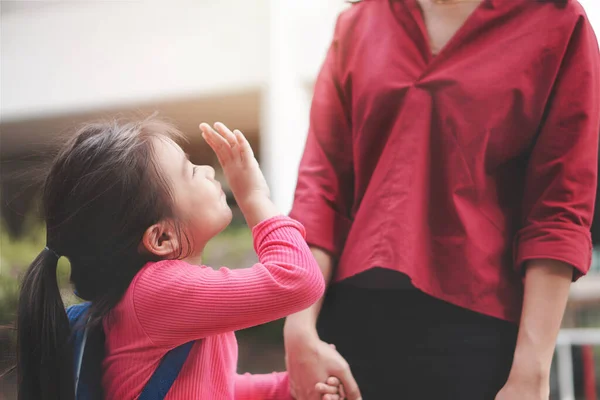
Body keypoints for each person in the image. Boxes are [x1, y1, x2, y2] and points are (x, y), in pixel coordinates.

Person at [284, 0, 600, 399]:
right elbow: (321, 191)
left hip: (483, 341)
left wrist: (531, 374)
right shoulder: (358, 23)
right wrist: (298, 327)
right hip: (345, 339)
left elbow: (558, 210)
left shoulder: (558, 21)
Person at [16, 118, 343, 400]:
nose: (206, 169)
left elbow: (211, 386)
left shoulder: (158, 299)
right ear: (162, 238)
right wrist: (256, 198)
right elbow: (298, 279)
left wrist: (289, 388)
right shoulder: (158, 291)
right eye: (189, 171)